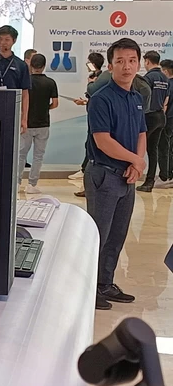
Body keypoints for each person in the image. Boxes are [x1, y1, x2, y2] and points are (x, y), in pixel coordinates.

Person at [85, 38, 146, 311]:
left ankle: (105, 283)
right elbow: (103, 141)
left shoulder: (136, 98)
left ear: (139, 64)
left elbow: (142, 133)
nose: (126, 66)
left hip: (127, 177)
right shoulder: (101, 99)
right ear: (110, 66)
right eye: (120, 61)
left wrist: (137, 164)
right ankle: (88, 289)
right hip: (104, 175)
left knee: (117, 235)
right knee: (98, 236)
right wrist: (136, 160)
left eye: (132, 61)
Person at [18, 53, 58, 194]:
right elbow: (55, 103)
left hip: (26, 123)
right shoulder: (50, 83)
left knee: (21, 155)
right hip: (43, 124)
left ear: (30, 64)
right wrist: (45, 108)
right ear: (44, 66)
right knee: (38, 156)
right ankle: (32, 185)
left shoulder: (25, 82)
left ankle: (16, 183)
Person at [71, 52, 106, 196]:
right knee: (89, 145)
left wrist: (91, 84)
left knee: (92, 146)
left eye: (89, 62)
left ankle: (87, 176)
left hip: (97, 117)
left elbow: (95, 93)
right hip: (92, 113)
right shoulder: (96, 77)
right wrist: (85, 101)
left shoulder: (100, 78)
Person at [137, 51, 170, 192]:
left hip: (148, 116)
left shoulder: (148, 78)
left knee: (138, 147)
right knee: (153, 150)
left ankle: (132, 176)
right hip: (161, 116)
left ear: (147, 61)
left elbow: (143, 97)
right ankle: (149, 181)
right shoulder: (165, 78)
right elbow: (166, 99)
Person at [0, 25, 31, 134]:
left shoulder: (21, 65)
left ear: (14, 41)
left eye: (7, 39)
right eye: (0, 39)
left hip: (13, 110)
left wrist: (24, 118)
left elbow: (25, 93)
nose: (3, 43)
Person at [157, 59, 173, 188]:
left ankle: (164, 176)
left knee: (163, 147)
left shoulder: (168, 85)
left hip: (168, 119)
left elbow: (165, 103)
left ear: (166, 71)